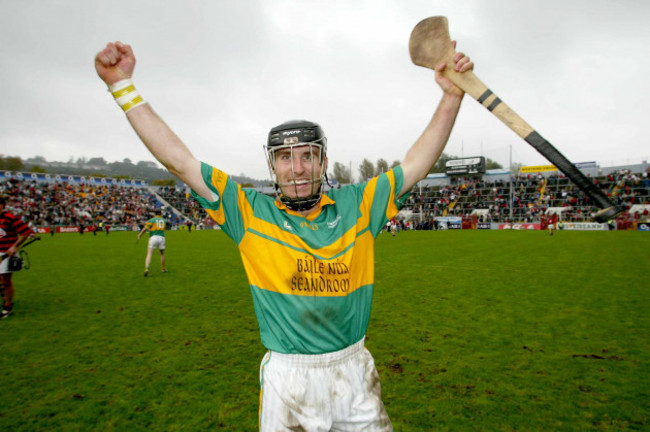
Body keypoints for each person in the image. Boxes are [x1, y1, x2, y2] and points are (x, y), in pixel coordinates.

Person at [95, 39, 472, 430]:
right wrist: (121, 86)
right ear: (272, 167)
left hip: (353, 373)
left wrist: (451, 98)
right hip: (288, 380)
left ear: (324, 161)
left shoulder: (359, 204)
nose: (298, 168)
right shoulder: (248, 213)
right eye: (285, 158)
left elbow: (416, 165)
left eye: (308, 155)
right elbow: (178, 160)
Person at [0, 196, 35, 319]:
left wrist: (15, 246)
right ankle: (5, 298)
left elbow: (26, 232)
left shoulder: (9, 217)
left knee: (5, 280)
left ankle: (7, 307)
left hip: (7, 253)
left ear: (2, 205)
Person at [137, 210, 168, 277]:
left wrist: (140, 235)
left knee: (149, 254)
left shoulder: (152, 220)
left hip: (153, 237)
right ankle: (163, 268)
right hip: (162, 237)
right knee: (162, 254)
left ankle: (146, 268)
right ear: (160, 214)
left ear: (155, 214)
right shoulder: (163, 220)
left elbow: (145, 228)